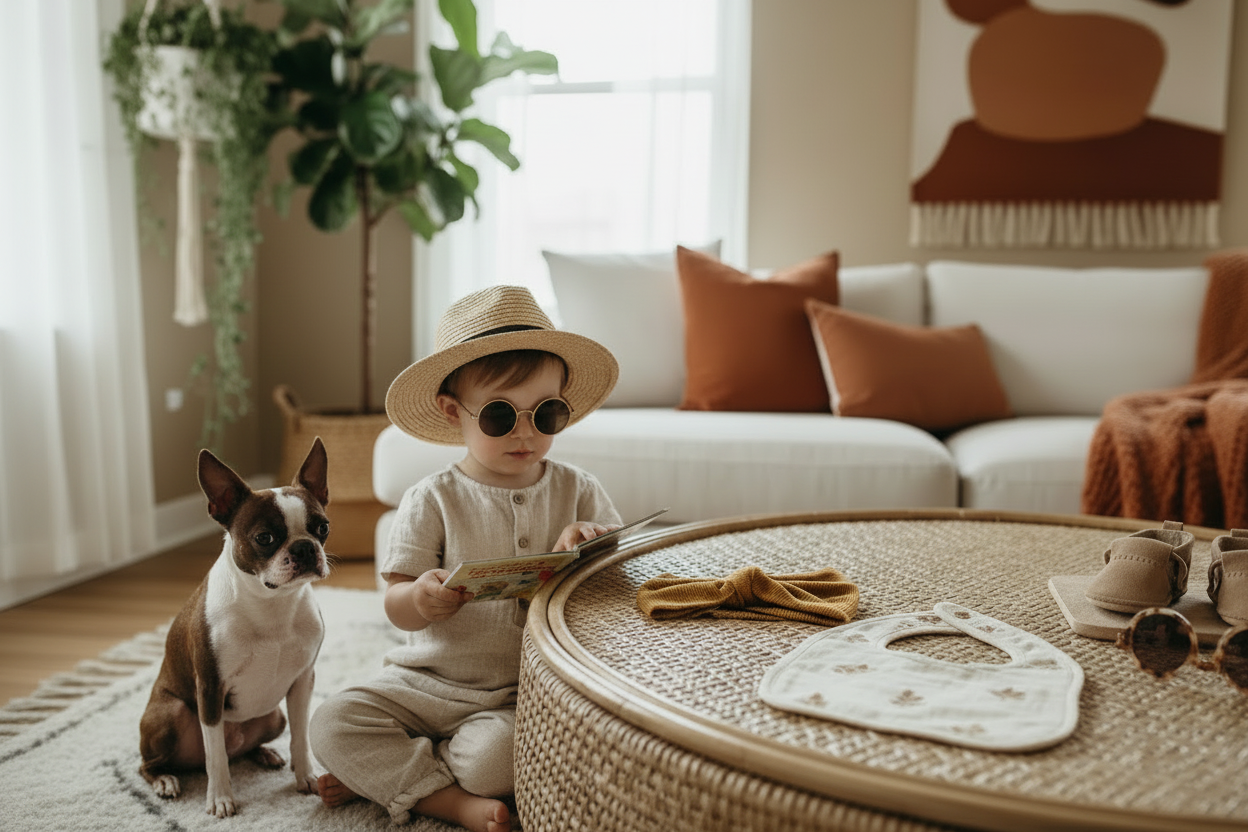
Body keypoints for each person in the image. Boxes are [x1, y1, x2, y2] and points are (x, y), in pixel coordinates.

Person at [309, 285, 622, 832]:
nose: (525, 432)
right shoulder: (431, 498)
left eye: (546, 413)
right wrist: (420, 598)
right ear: (453, 411)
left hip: (516, 695)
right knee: (331, 723)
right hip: (424, 684)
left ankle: (390, 773)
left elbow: (615, 571)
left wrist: (593, 540)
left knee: (494, 762)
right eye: (500, 416)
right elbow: (396, 604)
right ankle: (448, 803)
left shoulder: (578, 489)